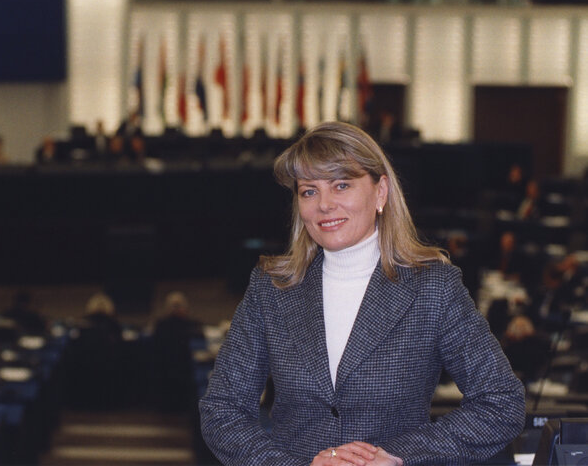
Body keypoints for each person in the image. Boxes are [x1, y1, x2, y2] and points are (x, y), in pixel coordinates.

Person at [199, 121, 525, 466]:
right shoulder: (271, 286)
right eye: (309, 191)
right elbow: (222, 409)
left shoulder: (433, 287)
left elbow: (501, 402)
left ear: (380, 192)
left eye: (341, 185)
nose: (324, 204)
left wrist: (399, 457)